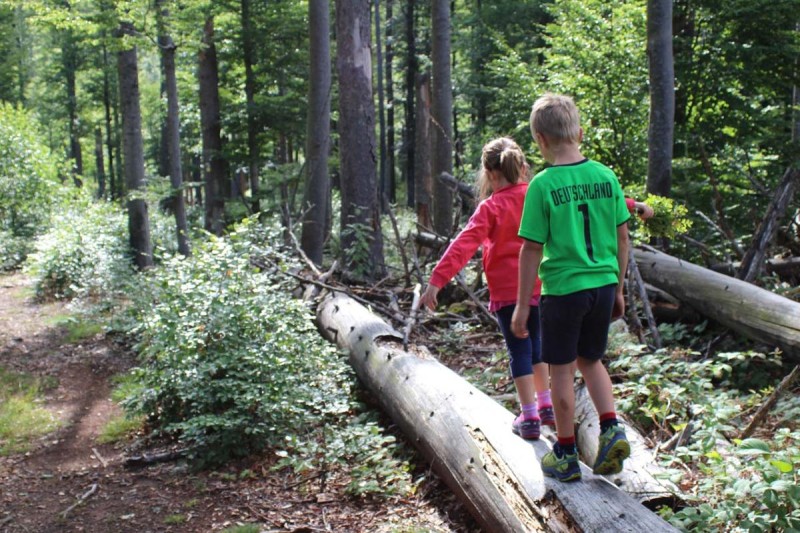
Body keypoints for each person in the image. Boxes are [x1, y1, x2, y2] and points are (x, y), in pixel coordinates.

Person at [511, 93, 631, 482]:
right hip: (603, 284)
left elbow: (531, 249)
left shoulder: (542, 185)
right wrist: (618, 288)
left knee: (560, 370)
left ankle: (564, 451)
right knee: (591, 360)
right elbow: (623, 236)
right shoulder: (605, 176)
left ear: (540, 140)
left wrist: (521, 306)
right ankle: (611, 427)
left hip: (563, 290)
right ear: (579, 133)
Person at [420, 137, 554, 441]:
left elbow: (463, 245)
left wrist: (436, 281)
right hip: (542, 285)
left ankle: (530, 415)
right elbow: (576, 204)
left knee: (518, 349)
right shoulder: (538, 194)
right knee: (538, 345)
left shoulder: (491, 207)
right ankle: (545, 404)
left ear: (490, 174)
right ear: (521, 167)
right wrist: (628, 205)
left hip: (509, 293)